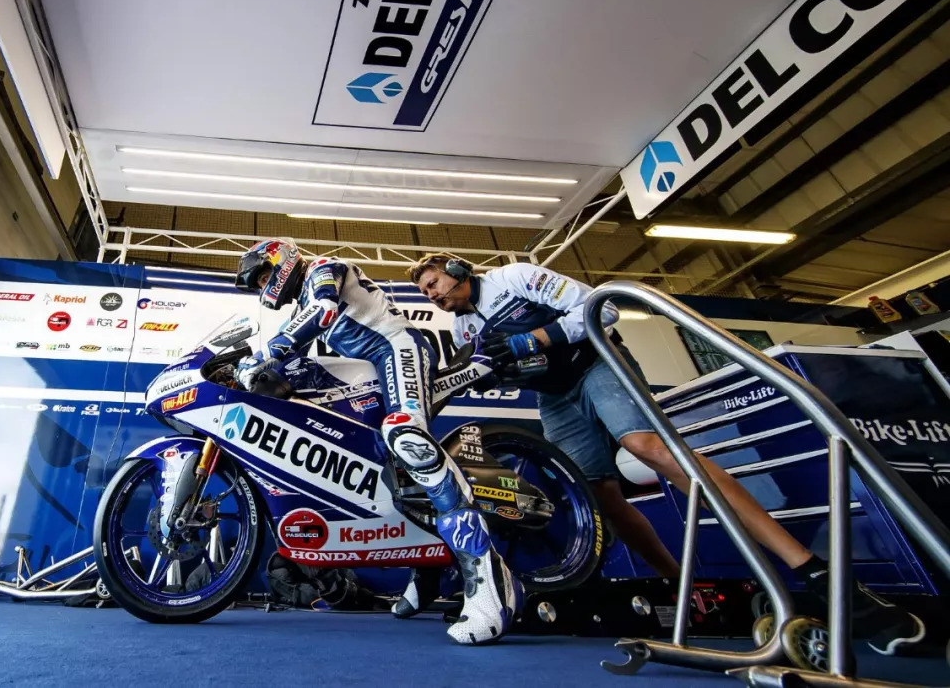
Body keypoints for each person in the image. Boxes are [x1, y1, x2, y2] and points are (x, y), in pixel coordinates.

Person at [408, 253, 926, 656]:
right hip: (555, 396)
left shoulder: (516, 277)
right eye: (425, 292)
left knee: (647, 448)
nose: (433, 296)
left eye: (434, 284)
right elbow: (504, 367)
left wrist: (537, 338)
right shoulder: (463, 329)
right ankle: (680, 585)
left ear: (458, 270)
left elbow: (604, 309)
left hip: (598, 364)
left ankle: (815, 572)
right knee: (594, 497)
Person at [233, 239, 522, 645]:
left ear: (282, 259)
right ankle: (429, 571)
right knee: (391, 468)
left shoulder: (323, 270)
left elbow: (323, 310)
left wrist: (269, 352)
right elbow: (300, 344)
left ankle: (490, 579)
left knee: (405, 435)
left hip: (398, 348)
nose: (265, 286)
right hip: (374, 369)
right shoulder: (301, 308)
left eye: (265, 275)